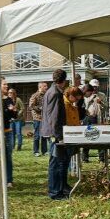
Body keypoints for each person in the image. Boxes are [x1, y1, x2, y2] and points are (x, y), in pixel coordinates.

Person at [41, 69, 69, 200]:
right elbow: (54, 117)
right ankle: (54, 192)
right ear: (63, 80)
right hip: (55, 133)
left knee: (57, 162)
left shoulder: (50, 91)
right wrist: (58, 136)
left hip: (53, 131)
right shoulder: (56, 93)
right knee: (55, 164)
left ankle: (58, 189)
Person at [1, 83, 18, 188]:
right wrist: (7, 110)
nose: (6, 87)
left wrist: (13, 111)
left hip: (7, 130)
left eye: (7, 85)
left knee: (8, 156)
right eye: (4, 85)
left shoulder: (8, 100)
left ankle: (9, 180)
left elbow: (14, 115)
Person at [29, 82, 48, 157]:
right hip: (37, 118)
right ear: (40, 87)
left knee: (44, 135)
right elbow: (31, 106)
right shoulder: (35, 95)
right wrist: (40, 108)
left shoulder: (46, 95)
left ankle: (44, 151)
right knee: (37, 135)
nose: (47, 87)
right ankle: (36, 151)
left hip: (44, 118)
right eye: (45, 86)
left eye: (46, 86)